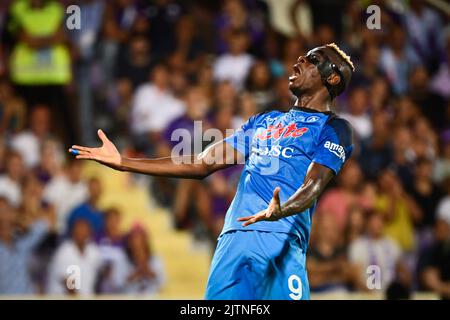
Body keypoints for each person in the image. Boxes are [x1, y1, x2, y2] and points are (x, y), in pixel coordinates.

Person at [69, 43, 356, 300]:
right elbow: (202, 163)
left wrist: (283, 209)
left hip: (280, 244)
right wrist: (124, 163)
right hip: (233, 240)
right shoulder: (264, 121)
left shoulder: (334, 129)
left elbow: (314, 185)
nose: (298, 61)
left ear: (331, 78)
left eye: (312, 60)